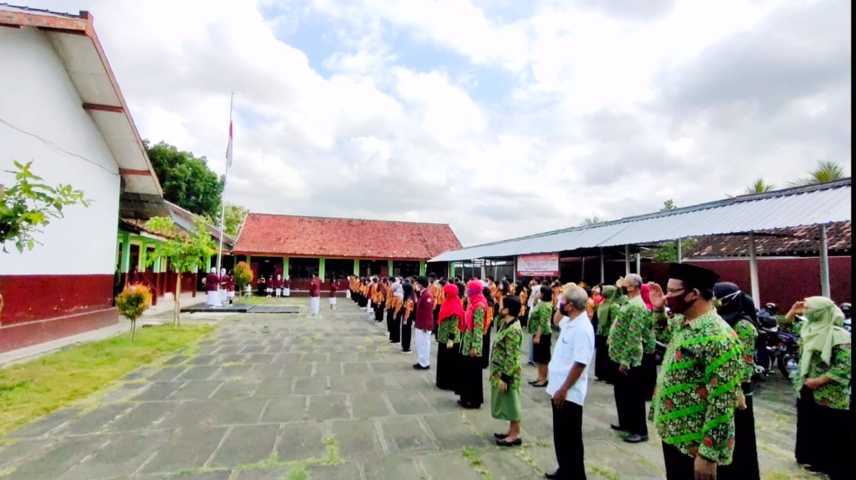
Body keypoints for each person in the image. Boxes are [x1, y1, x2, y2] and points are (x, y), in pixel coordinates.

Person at [647, 263, 744, 480]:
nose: (667, 297)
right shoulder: (684, 321)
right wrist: (658, 309)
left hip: (695, 443)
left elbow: (722, 402)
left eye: (672, 291)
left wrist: (708, 455)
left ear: (693, 294)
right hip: (676, 432)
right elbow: (663, 336)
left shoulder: (718, 338)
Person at [790, 297, 850, 479]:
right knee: (811, 426)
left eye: (809, 309)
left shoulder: (839, 335)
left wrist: (819, 381)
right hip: (807, 388)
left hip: (829, 393)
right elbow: (790, 325)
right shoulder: (808, 328)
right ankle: (814, 461)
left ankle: (831, 467)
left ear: (820, 312)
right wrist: (793, 310)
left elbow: (845, 366)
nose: (806, 311)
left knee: (830, 430)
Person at [544, 284, 594, 480]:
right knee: (561, 436)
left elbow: (580, 363)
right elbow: (556, 321)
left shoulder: (582, 328)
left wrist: (564, 389)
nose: (559, 303)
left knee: (570, 438)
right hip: (559, 387)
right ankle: (564, 470)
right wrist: (562, 301)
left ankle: (574, 475)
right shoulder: (571, 320)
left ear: (571, 306)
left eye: (562, 301)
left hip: (568, 392)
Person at [713, 282, 760, 480]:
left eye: (716, 298)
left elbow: (744, 365)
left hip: (737, 391)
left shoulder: (743, 326)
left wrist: (733, 388)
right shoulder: (719, 321)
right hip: (722, 387)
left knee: (740, 439)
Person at [607, 273, 653, 443]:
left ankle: (639, 430)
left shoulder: (638, 306)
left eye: (625, 282)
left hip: (630, 359)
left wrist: (626, 360)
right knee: (621, 393)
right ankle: (625, 423)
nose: (621, 283)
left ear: (633, 286)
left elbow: (634, 335)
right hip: (618, 354)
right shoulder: (627, 301)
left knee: (634, 396)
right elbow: (614, 298)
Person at [491, 295, 524, 447]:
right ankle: (511, 430)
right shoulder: (506, 323)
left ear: (507, 309)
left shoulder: (513, 330)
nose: (498, 307)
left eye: (501, 305)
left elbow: (512, 356)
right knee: (508, 401)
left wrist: (505, 377)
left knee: (512, 402)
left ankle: (514, 435)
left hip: (508, 372)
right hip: (501, 370)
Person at [458, 279, 487, 409]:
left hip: (473, 343)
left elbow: (478, 328)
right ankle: (466, 397)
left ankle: (473, 400)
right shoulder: (472, 302)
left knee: (473, 372)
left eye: (469, 288)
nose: (467, 290)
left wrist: (475, 346)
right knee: (466, 371)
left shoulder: (479, 305)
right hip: (467, 339)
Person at [436, 283, 463, 390]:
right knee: (443, 360)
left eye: (446, 292)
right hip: (443, 337)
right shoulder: (447, 302)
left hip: (450, 339)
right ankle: (442, 381)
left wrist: (451, 339)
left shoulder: (455, 305)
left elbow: (454, 324)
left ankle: (448, 383)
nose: (444, 293)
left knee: (449, 361)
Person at [594, 285, 620, 383]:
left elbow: (614, 321)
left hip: (606, 332)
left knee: (605, 355)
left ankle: (604, 375)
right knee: (604, 354)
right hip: (603, 332)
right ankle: (603, 374)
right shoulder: (609, 304)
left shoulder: (609, 305)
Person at [528, 285, 553, 387]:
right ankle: (539, 377)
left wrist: (538, 336)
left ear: (543, 294)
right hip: (537, 333)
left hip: (543, 334)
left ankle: (543, 379)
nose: (536, 293)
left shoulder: (545, 305)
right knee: (538, 358)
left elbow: (543, 322)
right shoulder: (541, 303)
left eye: (538, 292)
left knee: (543, 359)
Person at [413, 276, 435, 370]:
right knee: (419, 344)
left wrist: (425, 326)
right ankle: (421, 361)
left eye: (417, 283)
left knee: (424, 344)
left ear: (421, 284)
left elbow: (428, 312)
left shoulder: (427, 295)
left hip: (424, 325)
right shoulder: (422, 293)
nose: (416, 285)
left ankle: (424, 363)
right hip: (420, 324)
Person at [399, 281, 416, 353]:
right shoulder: (407, 297)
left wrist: (405, 320)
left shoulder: (410, 299)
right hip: (405, 318)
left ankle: (406, 347)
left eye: (403, 289)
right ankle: (404, 346)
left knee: (407, 331)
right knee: (404, 331)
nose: (402, 290)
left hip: (407, 318)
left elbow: (408, 310)